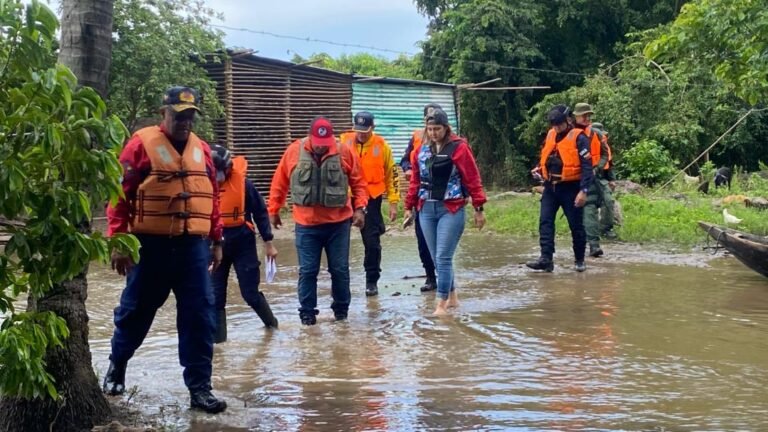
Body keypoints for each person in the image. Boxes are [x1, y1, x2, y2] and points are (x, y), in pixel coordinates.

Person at [103, 86, 227, 413]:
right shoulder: (140, 146)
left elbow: (211, 198)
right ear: (163, 114)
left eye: (189, 116)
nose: (184, 122)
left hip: (192, 249)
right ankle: (117, 364)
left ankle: (200, 388)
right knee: (135, 312)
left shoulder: (202, 150)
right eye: (178, 115)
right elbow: (118, 195)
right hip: (150, 247)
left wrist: (217, 239)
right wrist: (118, 240)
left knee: (200, 317)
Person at [268, 117, 368, 325]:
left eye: (326, 144)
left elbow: (359, 183)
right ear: (310, 138)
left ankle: (341, 313)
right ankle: (307, 314)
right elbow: (280, 181)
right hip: (306, 225)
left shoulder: (344, 151)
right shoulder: (294, 151)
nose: (322, 148)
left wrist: (360, 209)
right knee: (308, 270)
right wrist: (273, 209)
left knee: (339, 269)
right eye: (318, 144)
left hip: (338, 224)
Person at [404, 108, 487, 315]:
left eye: (437, 129)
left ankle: (440, 304)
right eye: (429, 129)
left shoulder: (459, 148)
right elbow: (415, 180)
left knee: (443, 257)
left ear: (446, 128)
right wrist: (408, 206)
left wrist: (479, 208)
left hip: (451, 208)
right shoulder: (420, 151)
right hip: (426, 209)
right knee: (436, 258)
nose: (433, 133)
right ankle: (453, 298)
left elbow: (472, 178)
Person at [209, 144, 279, 343]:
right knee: (215, 297)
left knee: (249, 293)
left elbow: (260, 213)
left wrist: (268, 242)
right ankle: (219, 345)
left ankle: (272, 326)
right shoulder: (201, 185)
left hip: (242, 242)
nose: (217, 175)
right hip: (214, 244)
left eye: (220, 171)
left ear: (229, 167)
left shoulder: (244, 185)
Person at [526, 104, 594, 273]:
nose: (556, 128)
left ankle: (579, 259)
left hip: (571, 188)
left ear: (568, 121)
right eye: (553, 125)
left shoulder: (579, 137)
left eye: (559, 125)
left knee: (576, 225)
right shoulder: (550, 135)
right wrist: (539, 169)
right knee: (545, 221)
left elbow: (587, 167)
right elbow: (548, 157)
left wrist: (583, 191)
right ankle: (546, 259)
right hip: (551, 187)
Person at [340, 111, 400, 297]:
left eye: (365, 131)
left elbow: (392, 174)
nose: (361, 134)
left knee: (372, 243)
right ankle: (341, 282)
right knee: (338, 242)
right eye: (358, 130)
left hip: (372, 198)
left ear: (372, 128)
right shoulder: (343, 142)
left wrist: (393, 201)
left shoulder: (382, 146)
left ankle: (371, 281)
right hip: (346, 198)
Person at [398, 103, 440, 292]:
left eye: (435, 120)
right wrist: (408, 170)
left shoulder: (452, 141)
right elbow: (405, 159)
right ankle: (431, 277)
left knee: (443, 241)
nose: (432, 128)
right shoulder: (416, 136)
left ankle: (446, 277)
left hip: (445, 199)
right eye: (428, 120)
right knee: (423, 240)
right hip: (422, 196)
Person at [572, 103, 613, 257]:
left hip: (595, 177)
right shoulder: (570, 134)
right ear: (576, 116)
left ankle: (600, 238)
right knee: (583, 212)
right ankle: (589, 245)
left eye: (589, 115)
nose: (587, 118)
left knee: (602, 204)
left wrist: (598, 168)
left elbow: (605, 155)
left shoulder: (596, 134)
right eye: (584, 115)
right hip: (576, 179)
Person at [590, 122, 617, 240]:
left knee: (608, 201)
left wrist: (612, 180)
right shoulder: (582, 141)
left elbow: (609, 163)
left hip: (601, 178)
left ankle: (606, 229)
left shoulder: (604, 144)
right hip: (586, 177)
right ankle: (588, 231)